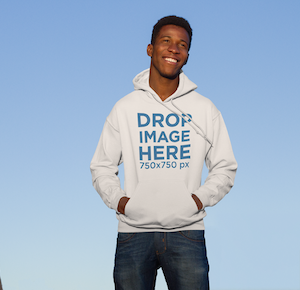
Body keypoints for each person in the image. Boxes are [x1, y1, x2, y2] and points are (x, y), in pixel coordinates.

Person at [90, 15, 237, 290]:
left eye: (182, 44)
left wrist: (197, 200)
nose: (174, 48)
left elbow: (225, 166)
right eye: (166, 41)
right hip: (134, 234)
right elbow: (101, 166)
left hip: (187, 232)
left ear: (187, 55)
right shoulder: (125, 108)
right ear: (150, 48)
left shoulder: (204, 109)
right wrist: (121, 202)